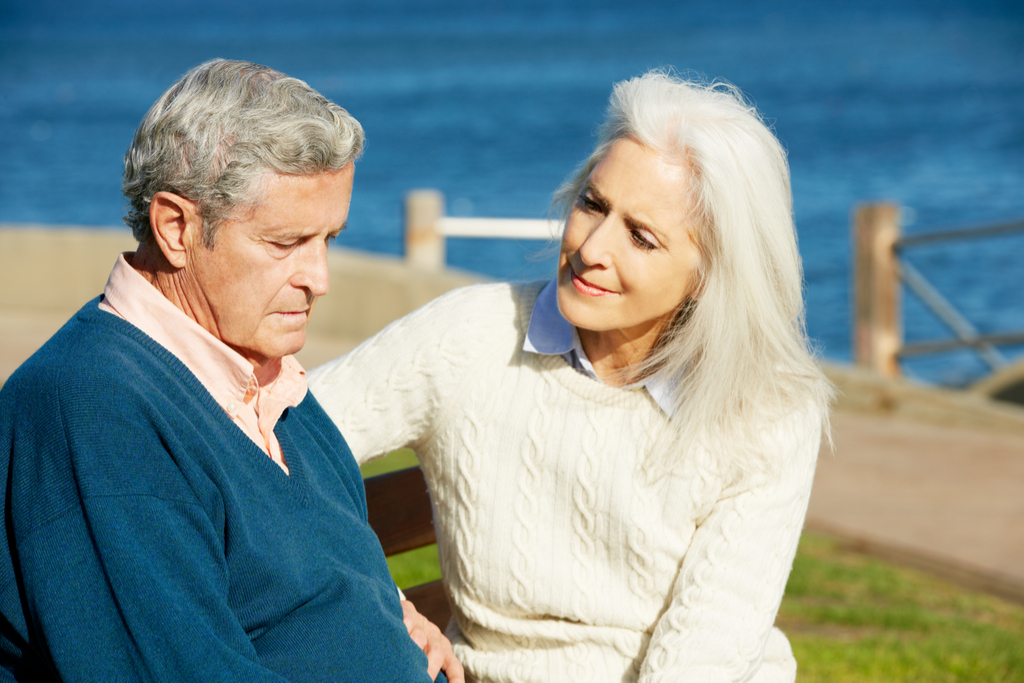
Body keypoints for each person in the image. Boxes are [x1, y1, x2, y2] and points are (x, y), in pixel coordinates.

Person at [309, 70, 833, 682]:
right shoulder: (471, 335)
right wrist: (387, 608)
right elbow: (267, 444)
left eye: (641, 237)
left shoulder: (767, 412)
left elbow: (703, 664)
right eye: (593, 204)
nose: (592, 248)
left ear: (710, 276)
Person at [0, 59, 462, 683]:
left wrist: (398, 618)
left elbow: (319, 577)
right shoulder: (91, 408)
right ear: (176, 228)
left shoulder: (263, 377)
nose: (319, 280)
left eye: (328, 239)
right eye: (284, 244)